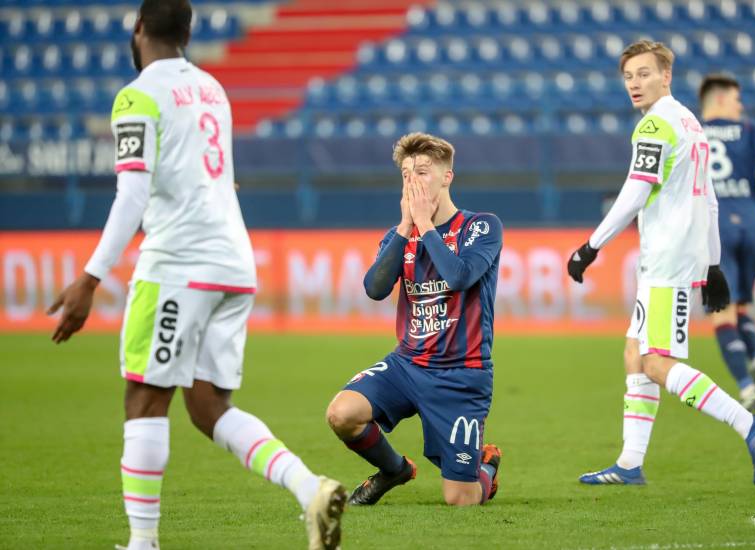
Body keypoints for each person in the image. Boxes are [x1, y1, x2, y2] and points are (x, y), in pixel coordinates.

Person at [46, 2, 345, 548]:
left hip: (181, 265)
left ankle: (142, 543)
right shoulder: (212, 89)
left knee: (144, 398)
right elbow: (223, 181)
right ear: (188, 33)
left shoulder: (137, 95)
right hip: (234, 261)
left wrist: (90, 277)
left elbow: (133, 190)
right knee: (208, 407)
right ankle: (310, 489)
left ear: (138, 28)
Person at [567, 40, 755, 486]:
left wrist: (591, 246)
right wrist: (714, 264)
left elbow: (635, 192)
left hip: (667, 258)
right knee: (634, 353)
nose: (634, 83)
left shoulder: (655, 125)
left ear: (666, 75)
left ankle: (750, 425)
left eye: (644, 73)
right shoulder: (690, 122)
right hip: (676, 257)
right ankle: (629, 464)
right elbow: (710, 197)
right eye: (628, 76)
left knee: (656, 363)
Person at [325, 132, 503, 507]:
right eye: (406, 174)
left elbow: (458, 276)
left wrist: (425, 225)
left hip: (461, 374)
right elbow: (374, 288)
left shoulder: (482, 227)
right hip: (407, 365)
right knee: (342, 414)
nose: (413, 181)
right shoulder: (399, 235)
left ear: (446, 177)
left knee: (461, 499)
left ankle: (485, 466)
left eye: (422, 172)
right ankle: (394, 470)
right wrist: (407, 228)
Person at [699, 74, 755, 409]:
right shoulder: (750, 130)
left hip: (715, 224)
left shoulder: (693, 132)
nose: (741, 106)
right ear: (719, 99)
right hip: (751, 220)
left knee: (722, 312)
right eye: (736, 99)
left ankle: (746, 387)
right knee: (743, 303)